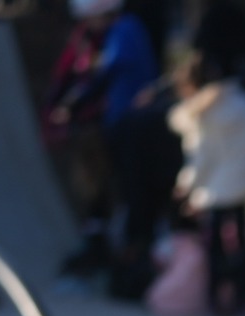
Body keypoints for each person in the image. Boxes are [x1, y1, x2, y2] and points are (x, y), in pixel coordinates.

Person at [47, 0, 161, 280]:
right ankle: (118, 247)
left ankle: (135, 255)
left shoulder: (125, 29)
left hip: (129, 123)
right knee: (118, 188)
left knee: (130, 187)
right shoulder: (128, 29)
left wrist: (73, 104)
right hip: (126, 120)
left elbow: (105, 71)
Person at [170, 53, 245, 316]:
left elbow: (202, 156)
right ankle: (244, 300)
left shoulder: (205, 113)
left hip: (217, 190)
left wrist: (187, 185)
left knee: (216, 250)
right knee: (244, 246)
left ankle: (216, 302)